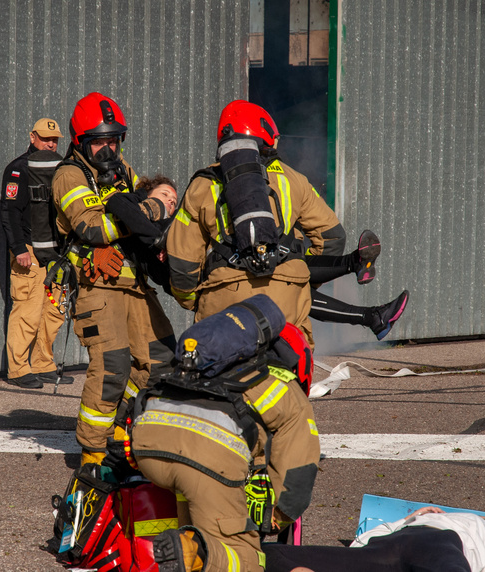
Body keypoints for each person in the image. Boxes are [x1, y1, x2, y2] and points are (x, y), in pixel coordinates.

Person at [129, 294, 321, 572]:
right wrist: (276, 516)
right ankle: (196, 553)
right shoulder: (283, 385)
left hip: (148, 445)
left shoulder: (209, 362)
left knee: (196, 511)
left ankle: (190, 545)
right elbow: (299, 468)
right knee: (244, 556)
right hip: (203, 458)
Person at [51, 92, 175, 465]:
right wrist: (154, 206)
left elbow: (135, 218)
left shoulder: (122, 169)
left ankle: (121, 429)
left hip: (133, 280)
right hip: (96, 284)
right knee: (112, 365)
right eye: (99, 142)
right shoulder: (70, 175)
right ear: (80, 142)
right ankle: (92, 453)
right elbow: (93, 227)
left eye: (113, 141)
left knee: (162, 360)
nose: (108, 149)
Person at [166, 100, 345, 347]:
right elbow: (333, 237)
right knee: (289, 371)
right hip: (287, 296)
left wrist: (193, 299)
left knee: (219, 371)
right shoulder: (293, 179)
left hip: (224, 296)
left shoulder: (202, 184)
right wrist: (301, 278)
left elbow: (182, 260)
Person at [0, 118, 73, 389]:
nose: (51, 144)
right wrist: (18, 249)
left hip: (54, 250)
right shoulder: (19, 169)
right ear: (32, 137)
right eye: (45, 138)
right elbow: (10, 212)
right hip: (28, 248)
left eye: (55, 140)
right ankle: (18, 369)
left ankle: (43, 363)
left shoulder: (61, 168)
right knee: (26, 310)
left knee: (53, 311)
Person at [263, 506, 485, 572]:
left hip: (437, 543)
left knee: (274, 556)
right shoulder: (422, 518)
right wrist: (408, 518)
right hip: (401, 545)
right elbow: (363, 541)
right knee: (274, 554)